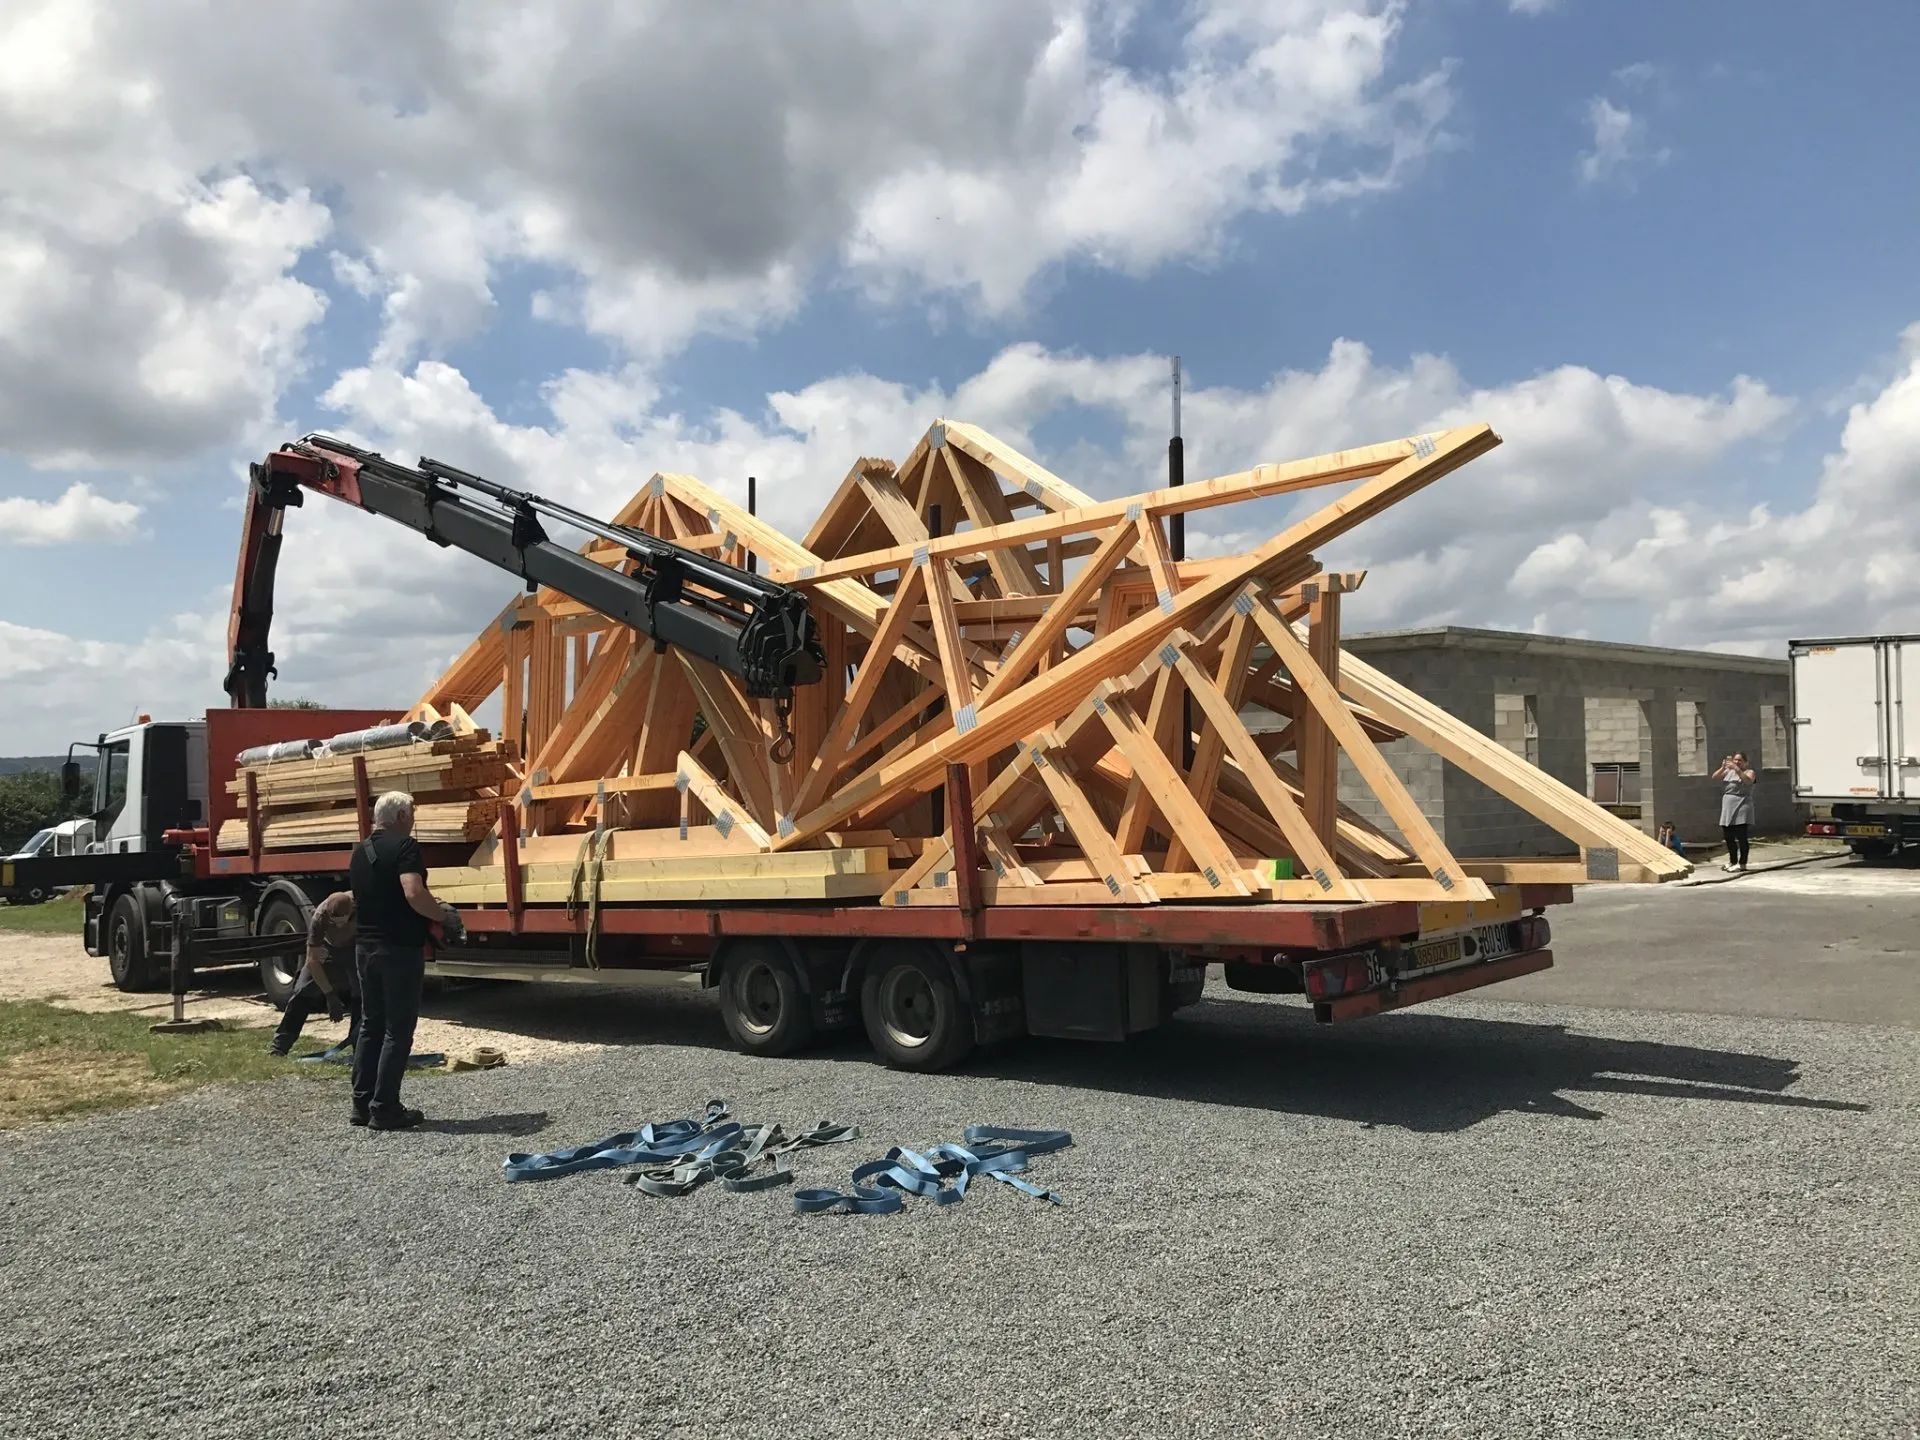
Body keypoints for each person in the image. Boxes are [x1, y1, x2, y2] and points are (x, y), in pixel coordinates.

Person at [348, 791, 451, 1130]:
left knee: (370, 1025)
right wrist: (441, 916)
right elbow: (413, 892)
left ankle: (362, 1105)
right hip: (398, 949)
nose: (415, 820)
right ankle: (386, 1108)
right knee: (398, 1029)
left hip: (365, 947)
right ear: (403, 815)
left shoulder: (360, 851)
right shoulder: (406, 847)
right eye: (413, 813)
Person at [268, 890, 360, 1057]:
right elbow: (312, 961)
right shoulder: (320, 916)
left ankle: (360, 1048)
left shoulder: (363, 903)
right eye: (334, 922)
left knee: (362, 993)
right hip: (327, 947)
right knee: (302, 991)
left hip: (356, 946)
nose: (339, 925)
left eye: (342, 921)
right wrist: (330, 995)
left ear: (352, 910)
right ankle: (279, 1046)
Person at [1714, 751, 1756, 873]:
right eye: (1735, 760)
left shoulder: (1749, 772)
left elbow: (1748, 781)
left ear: (1746, 762)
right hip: (1728, 807)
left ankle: (1742, 863)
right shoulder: (1729, 772)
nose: (1737, 762)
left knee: (1741, 836)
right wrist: (1723, 767)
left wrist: (1737, 769)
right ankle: (1732, 861)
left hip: (1742, 805)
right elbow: (1715, 777)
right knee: (1728, 836)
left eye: (1740, 760)